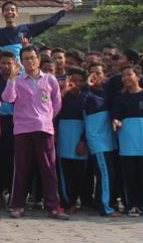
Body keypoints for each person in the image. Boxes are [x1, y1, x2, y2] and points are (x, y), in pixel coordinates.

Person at [1, 46, 68, 220]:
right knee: (22, 169)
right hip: (22, 130)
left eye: (32, 58)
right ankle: (17, 205)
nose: (29, 61)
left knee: (48, 169)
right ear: (21, 62)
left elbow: (57, 103)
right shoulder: (17, 79)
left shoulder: (49, 79)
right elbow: (7, 98)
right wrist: (12, 79)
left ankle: (53, 206)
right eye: (26, 58)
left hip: (44, 129)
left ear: (38, 59)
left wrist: (46, 119)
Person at [111, 64, 143, 218]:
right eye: (123, 76)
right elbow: (116, 117)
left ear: (138, 77)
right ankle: (134, 205)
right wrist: (116, 122)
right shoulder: (120, 98)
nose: (126, 78)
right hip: (126, 146)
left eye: (129, 75)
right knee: (130, 177)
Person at [82, 66, 118, 216]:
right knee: (104, 174)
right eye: (92, 73)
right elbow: (82, 102)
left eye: (98, 72)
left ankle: (101, 202)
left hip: (109, 140)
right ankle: (105, 207)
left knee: (108, 173)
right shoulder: (87, 94)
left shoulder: (108, 93)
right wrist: (87, 85)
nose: (95, 75)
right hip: (97, 141)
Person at [56, 68, 91, 213]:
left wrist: (83, 140)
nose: (76, 84)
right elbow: (53, 113)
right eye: (73, 81)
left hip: (80, 141)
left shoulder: (87, 98)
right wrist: (62, 94)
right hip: (64, 141)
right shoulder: (61, 97)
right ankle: (67, 203)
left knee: (80, 173)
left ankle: (79, 201)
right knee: (65, 174)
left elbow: (89, 122)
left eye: (80, 81)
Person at [0, 51, 17, 205]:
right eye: (3, 63)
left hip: (15, 123)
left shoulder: (19, 80)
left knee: (13, 159)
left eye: (9, 63)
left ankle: (13, 192)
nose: (6, 66)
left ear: (14, 64)